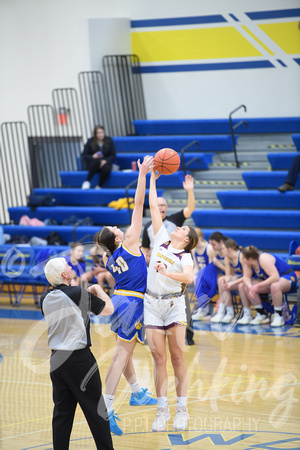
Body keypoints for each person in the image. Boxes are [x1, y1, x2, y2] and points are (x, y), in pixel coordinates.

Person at [95, 155, 157, 436]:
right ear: (118, 239)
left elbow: (104, 247)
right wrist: (143, 174)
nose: (120, 228)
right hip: (132, 301)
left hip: (118, 298)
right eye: (116, 230)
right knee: (121, 355)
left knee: (125, 350)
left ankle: (136, 392)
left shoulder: (109, 258)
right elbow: (139, 205)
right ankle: (105, 408)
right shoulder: (130, 242)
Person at [144, 168, 198, 433]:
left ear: (186, 239)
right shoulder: (161, 239)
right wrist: (150, 179)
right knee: (158, 358)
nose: (178, 225)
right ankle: (161, 410)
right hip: (152, 304)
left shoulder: (185, 256)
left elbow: (187, 277)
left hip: (174, 305)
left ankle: (182, 410)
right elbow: (153, 206)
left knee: (177, 357)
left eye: (183, 228)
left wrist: (167, 272)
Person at [41, 257, 114, 450]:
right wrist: (99, 291)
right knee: (96, 411)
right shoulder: (76, 293)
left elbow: (69, 306)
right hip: (80, 361)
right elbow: (109, 309)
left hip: (56, 361)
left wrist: (84, 297)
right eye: (67, 265)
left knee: (62, 414)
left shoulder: (44, 298)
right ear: (65, 274)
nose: (71, 266)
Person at [237, 246, 297, 327]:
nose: (242, 261)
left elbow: (275, 277)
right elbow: (246, 278)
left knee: (274, 286)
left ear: (250, 258)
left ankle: (279, 316)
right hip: (272, 281)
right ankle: (261, 314)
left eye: (244, 258)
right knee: (246, 286)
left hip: (287, 277)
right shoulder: (249, 264)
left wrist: (257, 285)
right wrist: (250, 287)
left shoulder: (263, 258)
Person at [141, 174, 195, 257]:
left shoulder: (175, 219)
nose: (159, 208)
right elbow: (144, 248)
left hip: (173, 260)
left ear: (166, 207)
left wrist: (190, 191)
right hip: (155, 261)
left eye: (162, 205)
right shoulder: (148, 226)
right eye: (157, 205)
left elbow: (190, 209)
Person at [211, 239, 244, 324]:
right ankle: (228, 312)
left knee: (225, 282)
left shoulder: (241, 256)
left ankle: (225, 312)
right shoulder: (227, 258)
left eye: (223, 249)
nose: (221, 251)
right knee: (222, 281)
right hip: (240, 279)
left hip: (249, 280)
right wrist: (225, 281)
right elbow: (228, 275)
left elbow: (247, 277)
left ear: (229, 249)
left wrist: (232, 282)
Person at [81, 125, 116, 190]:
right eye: (98, 133)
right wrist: (92, 156)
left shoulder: (109, 140)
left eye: (102, 132)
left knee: (107, 167)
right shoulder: (90, 141)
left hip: (105, 162)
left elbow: (113, 155)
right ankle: (87, 181)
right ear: (95, 134)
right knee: (97, 161)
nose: (101, 134)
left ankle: (99, 185)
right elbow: (84, 155)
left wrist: (105, 161)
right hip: (93, 164)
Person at [191, 228, 214, 321]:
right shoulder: (193, 249)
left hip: (210, 276)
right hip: (200, 275)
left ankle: (203, 308)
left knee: (197, 279)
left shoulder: (209, 248)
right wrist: (191, 275)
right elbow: (196, 266)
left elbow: (212, 268)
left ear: (200, 238)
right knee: (193, 278)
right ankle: (203, 308)